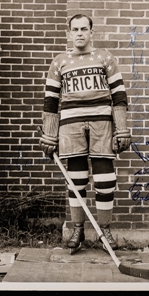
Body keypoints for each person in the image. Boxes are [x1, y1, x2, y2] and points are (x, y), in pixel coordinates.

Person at [39, 14, 131, 252]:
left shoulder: (105, 58)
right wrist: (49, 134)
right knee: (76, 179)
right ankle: (77, 229)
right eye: (75, 29)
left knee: (105, 179)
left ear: (92, 32)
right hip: (71, 126)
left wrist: (121, 129)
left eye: (84, 29)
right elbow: (50, 100)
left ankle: (104, 230)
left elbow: (119, 95)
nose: (79, 33)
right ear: (69, 33)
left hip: (102, 124)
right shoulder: (60, 61)